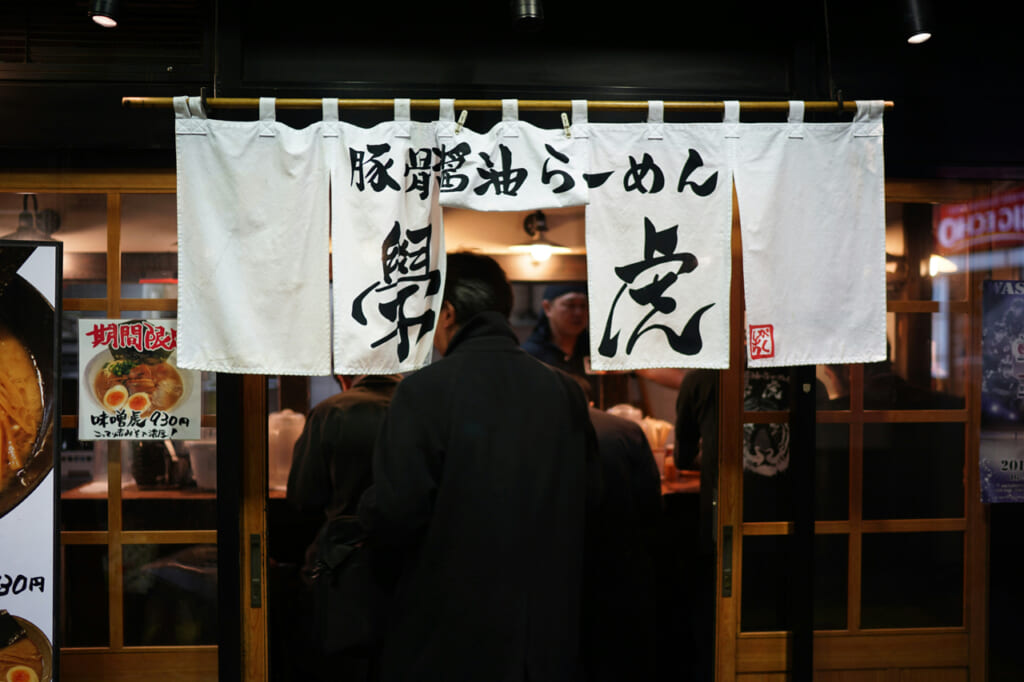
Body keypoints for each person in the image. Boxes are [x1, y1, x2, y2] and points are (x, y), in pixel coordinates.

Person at [359, 252, 600, 682]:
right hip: (545, 629)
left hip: (449, 630)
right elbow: (591, 498)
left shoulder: (422, 392)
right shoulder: (563, 390)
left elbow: (398, 513)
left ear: (448, 313)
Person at [280, 372, 401, 682]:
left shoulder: (331, 411)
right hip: (414, 561)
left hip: (345, 564)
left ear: (344, 376)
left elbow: (303, 497)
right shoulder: (423, 406)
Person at [576, 379, 663, 682]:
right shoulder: (625, 430)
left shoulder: (541, 430)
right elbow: (650, 500)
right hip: (623, 552)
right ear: (591, 402)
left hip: (568, 560)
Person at [522, 282, 592, 379]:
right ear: (547, 308)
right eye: (570, 305)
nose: (578, 312)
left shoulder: (593, 352)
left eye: (583, 305)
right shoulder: (531, 357)